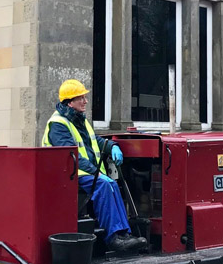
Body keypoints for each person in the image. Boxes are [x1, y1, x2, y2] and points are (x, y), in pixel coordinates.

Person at [42, 79, 146, 252]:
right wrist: (96, 173)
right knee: (104, 184)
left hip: (82, 173)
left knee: (112, 183)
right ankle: (112, 238)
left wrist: (112, 146)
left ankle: (124, 234)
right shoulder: (58, 124)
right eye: (81, 98)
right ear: (69, 102)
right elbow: (71, 155)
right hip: (68, 175)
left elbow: (94, 141)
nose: (85, 101)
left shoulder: (78, 120)